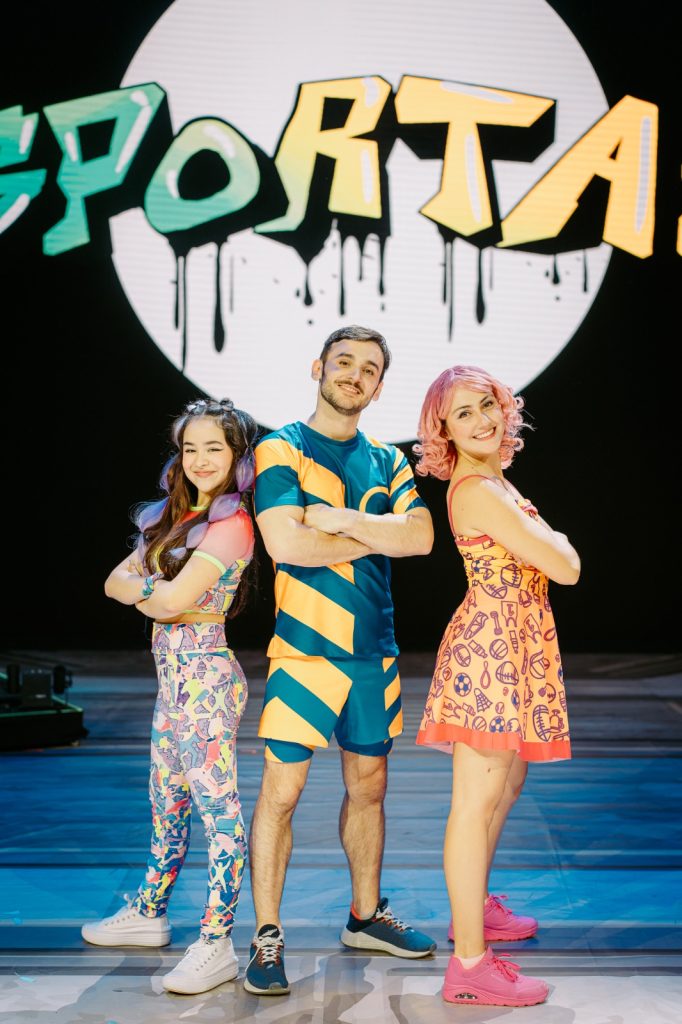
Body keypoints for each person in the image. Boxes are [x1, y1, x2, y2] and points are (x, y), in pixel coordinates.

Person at [244, 325, 436, 996]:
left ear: (379, 387)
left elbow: (421, 537)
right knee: (281, 795)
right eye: (344, 361)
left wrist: (338, 519)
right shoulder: (281, 447)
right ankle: (267, 936)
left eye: (369, 368)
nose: (355, 374)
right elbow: (286, 546)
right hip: (304, 654)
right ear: (318, 367)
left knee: (369, 790)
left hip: (373, 656)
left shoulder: (388, 459)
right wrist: (378, 534)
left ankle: (365, 915)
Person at [413, 366, 580, 1008]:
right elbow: (565, 566)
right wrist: (557, 541)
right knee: (474, 803)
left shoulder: (495, 482)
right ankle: (468, 965)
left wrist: (552, 545)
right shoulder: (479, 491)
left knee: (506, 785)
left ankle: (475, 906)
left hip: (516, 641)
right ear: (444, 431)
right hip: (491, 650)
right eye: (464, 413)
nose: (482, 419)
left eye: (487, 404)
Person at [81, 398, 258, 996]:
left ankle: (217, 940)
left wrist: (149, 588)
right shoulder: (177, 520)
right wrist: (154, 591)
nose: (201, 460)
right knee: (167, 802)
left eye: (215, 448)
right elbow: (113, 581)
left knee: (219, 814)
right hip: (173, 685)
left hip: (206, 681)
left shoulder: (233, 526)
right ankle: (150, 911)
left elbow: (164, 601)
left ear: (237, 457)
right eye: (190, 448)